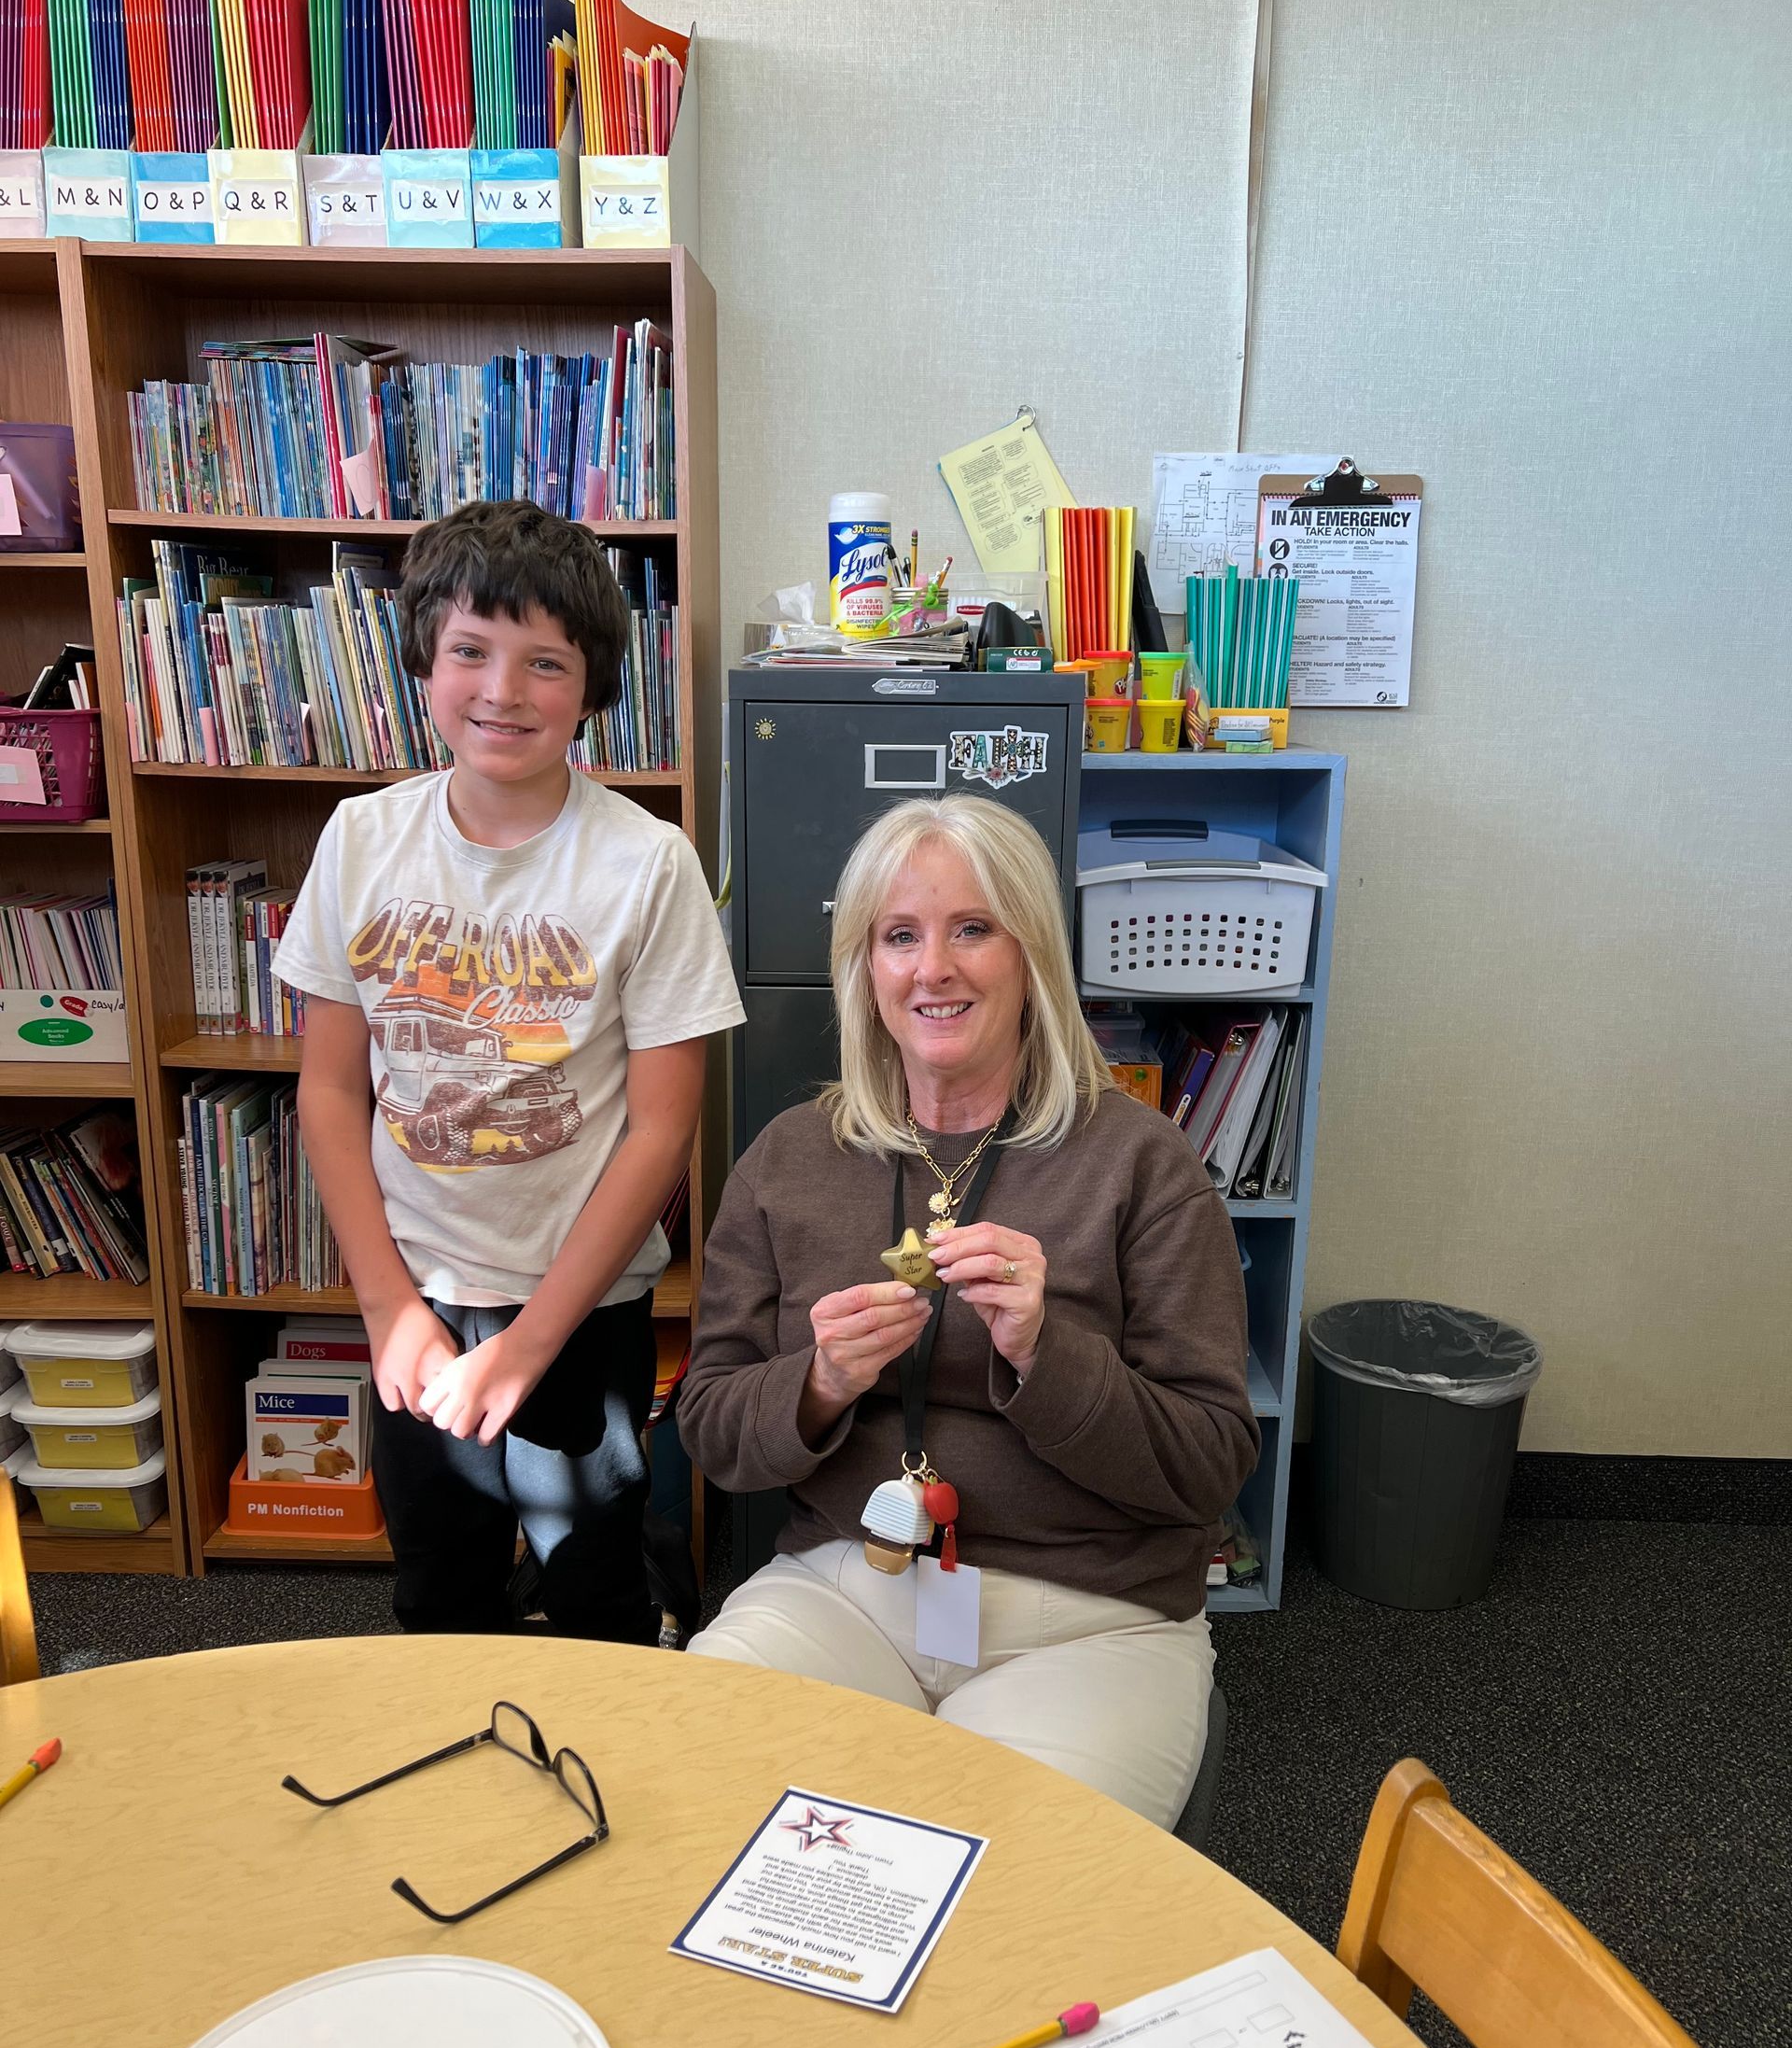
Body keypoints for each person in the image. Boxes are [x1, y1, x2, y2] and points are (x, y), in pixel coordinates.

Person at [679, 794, 1258, 1827]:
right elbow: (717, 1433)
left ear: (1031, 952)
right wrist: (820, 1385)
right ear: (865, 968)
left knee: (1003, 1891)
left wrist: (1048, 1354)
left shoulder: (1140, 1162)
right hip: (847, 1586)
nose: (931, 968)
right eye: (899, 936)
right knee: (698, 1787)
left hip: (1092, 1617)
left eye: (972, 930)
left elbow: (1210, 1464)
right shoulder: (789, 1158)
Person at [274, 501, 743, 1640]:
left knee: (597, 1602)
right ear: (424, 663)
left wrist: (532, 1344)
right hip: (418, 1301)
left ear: (591, 688)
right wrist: (389, 1311)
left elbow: (659, 1130)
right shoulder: (360, 839)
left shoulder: (648, 863)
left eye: (546, 662)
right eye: (471, 651)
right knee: (439, 1593)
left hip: (582, 1308)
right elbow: (332, 1092)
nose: (504, 689)